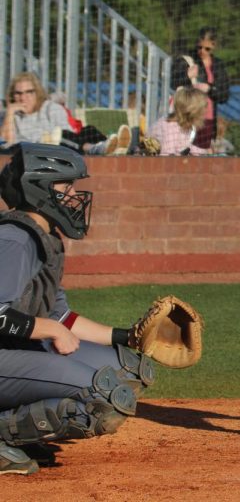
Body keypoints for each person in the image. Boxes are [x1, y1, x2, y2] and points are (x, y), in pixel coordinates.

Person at [0, 143, 156, 475]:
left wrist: (128, 336)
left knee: (127, 369)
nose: (74, 195)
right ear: (38, 189)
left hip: (11, 352)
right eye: (65, 185)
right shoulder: (16, 240)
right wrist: (52, 331)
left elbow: (61, 317)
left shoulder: (44, 237)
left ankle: (16, 433)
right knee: (101, 397)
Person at [1, 73, 128, 155]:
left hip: (60, 146)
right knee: (61, 137)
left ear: (37, 92)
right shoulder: (11, 116)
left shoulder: (50, 108)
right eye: (18, 93)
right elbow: (6, 144)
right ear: (12, 95)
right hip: (29, 151)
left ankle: (116, 148)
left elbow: (66, 132)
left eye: (29, 92)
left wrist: (50, 138)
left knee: (88, 130)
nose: (23, 97)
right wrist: (10, 113)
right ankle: (97, 149)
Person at [172, 27, 231, 150]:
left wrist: (209, 88)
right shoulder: (187, 60)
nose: (202, 51)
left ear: (214, 46)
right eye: (199, 47)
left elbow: (224, 96)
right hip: (189, 117)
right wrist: (187, 75)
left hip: (208, 119)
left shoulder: (218, 65)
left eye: (207, 48)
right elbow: (173, 83)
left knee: (202, 155)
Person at [147, 86, 211, 156]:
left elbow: (186, 146)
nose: (206, 111)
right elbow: (166, 157)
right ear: (192, 110)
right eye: (203, 108)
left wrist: (203, 153)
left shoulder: (188, 126)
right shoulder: (171, 127)